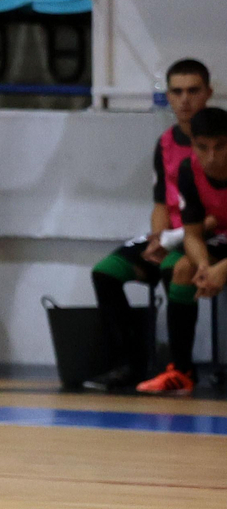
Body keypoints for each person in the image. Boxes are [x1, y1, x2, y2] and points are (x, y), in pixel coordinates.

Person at [86, 59, 213, 391]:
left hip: (199, 234)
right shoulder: (166, 143)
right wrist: (157, 238)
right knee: (105, 272)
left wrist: (174, 240)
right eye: (177, 91)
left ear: (208, 94)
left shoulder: (216, 145)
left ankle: (180, 368)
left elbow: (214, 212)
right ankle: (128, 364)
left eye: (193, 91)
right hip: (170, 233)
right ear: (168, 97)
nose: (185, 99)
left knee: (176, 268)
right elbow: (160, 203)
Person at [136, 107, 227, 396]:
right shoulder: (189, 170)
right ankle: (182, 371)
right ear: (194, 146)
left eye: (221, 147)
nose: (212, 157)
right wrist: (204, 268)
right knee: (184, 269)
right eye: (203, 148)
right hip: (220, 241)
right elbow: (192, 234)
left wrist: (221, 270)